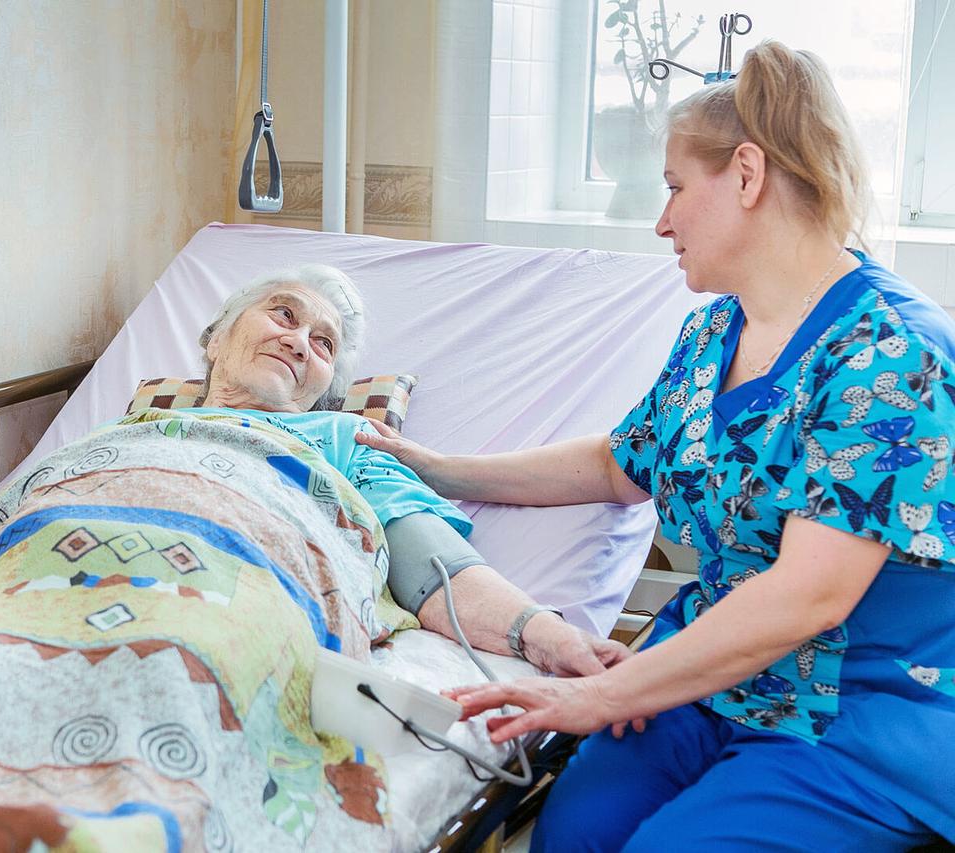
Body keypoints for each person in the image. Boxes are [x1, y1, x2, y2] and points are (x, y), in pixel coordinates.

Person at [356, 42, 953, 850]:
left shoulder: (891, 355)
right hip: (716, 678)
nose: (662, 221)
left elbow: (808, 596)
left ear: (747, 175)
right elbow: (620, 463)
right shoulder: (713, 329)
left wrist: (607, 693)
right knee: (573, 835)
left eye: (675, 187)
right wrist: (437, 467)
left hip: (858, 713)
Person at [0, 264, 627, 679]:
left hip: (214, 610)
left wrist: (550, 637)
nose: (299, 340)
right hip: (29, 608)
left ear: (325, 390)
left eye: (322, 345)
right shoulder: (108, 441)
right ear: (215, 337)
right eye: (283, 313)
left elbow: (435, 568)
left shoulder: (340, 444)